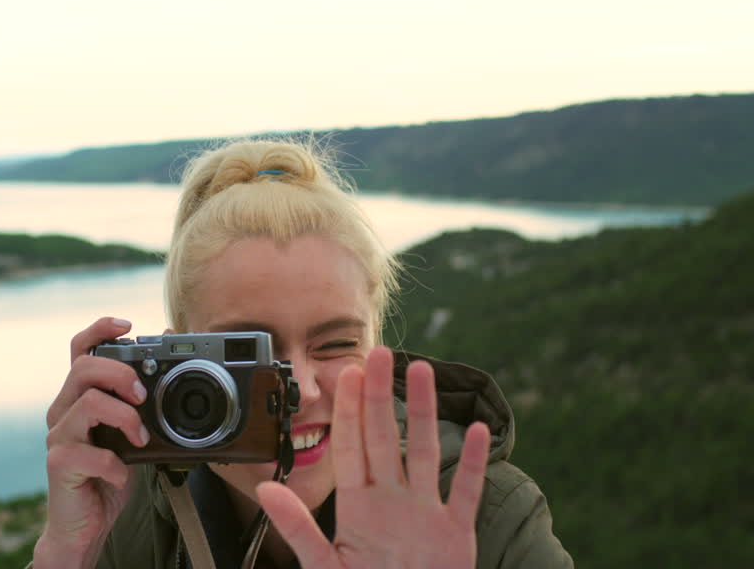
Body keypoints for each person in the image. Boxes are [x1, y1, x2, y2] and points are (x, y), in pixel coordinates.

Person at [33, 139, 574, 569]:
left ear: (378, 349)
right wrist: (65, 554)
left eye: (337, 344)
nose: (303, 389)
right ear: (182, 362)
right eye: (249, 351)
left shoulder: (483, 518)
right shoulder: (128, 507)